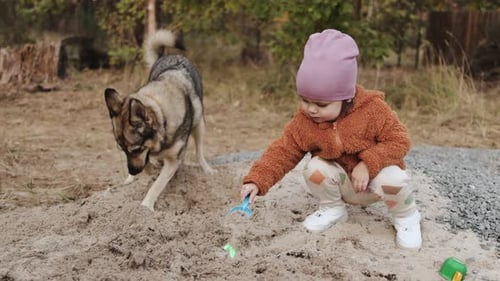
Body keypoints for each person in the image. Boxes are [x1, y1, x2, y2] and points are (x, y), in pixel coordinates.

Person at [239, 29, 422, 250]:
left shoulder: (372, 110)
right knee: (314, 167)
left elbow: (400, 140)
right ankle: (332, 209)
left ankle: (406, 218)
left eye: (321, 104)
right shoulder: (305, 121)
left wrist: (368, 163)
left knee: (396, 177)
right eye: (304, 100)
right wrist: (257, 180)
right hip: (341, 183)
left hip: (375, 183)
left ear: (346, 97)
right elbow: (284, 150)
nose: (311, 109)